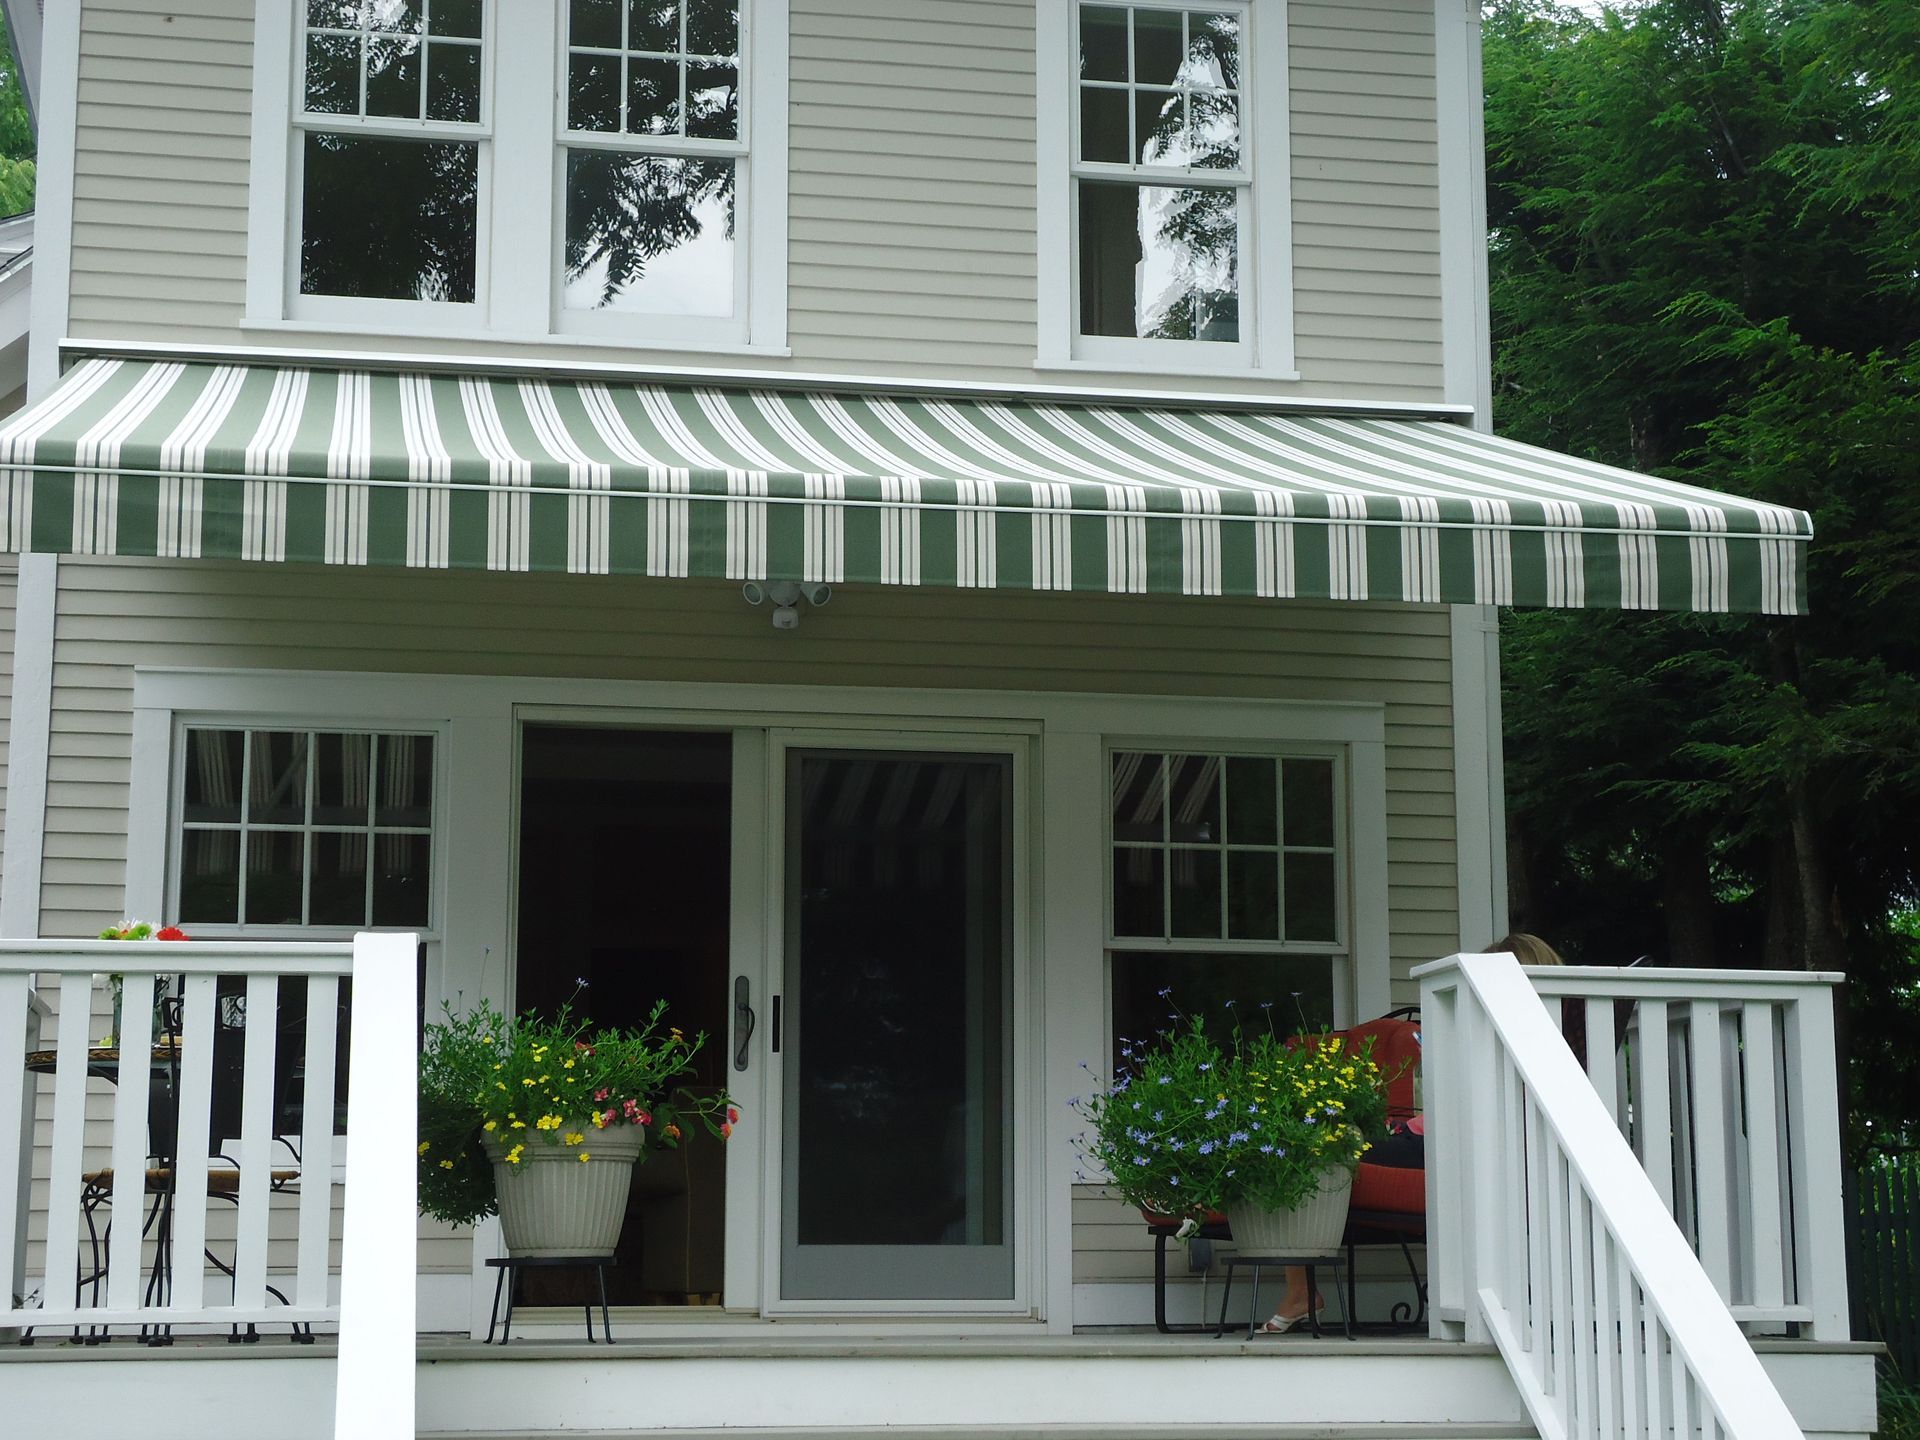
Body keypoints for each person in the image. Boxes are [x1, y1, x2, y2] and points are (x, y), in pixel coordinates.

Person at [1259, 933, 1564, 1333]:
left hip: (1446, 1145)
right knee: (1307, 1141)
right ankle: (1302, 1292)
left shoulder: (1535, 1045)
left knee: (1311, 1147)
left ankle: (1302, 1294)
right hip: (1422, 1135)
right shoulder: (1493, 1031)